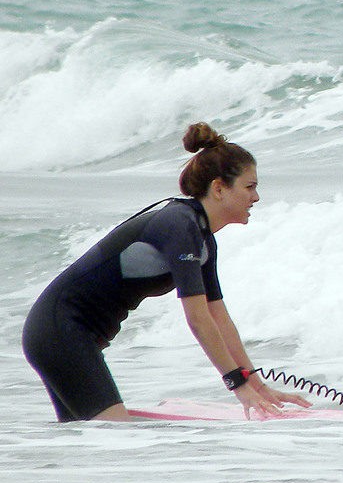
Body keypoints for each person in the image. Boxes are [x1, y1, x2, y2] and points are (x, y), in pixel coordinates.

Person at [23, 122, 311, 422]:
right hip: (60, 330)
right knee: (114, 437)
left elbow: (218, 317)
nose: (256, 197)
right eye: (250, 187)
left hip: (69, 336)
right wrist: (237, 386)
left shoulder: (202, 238)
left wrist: (255, 384)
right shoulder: (180, 224)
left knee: (89, 443)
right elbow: (198, 320)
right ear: (219, 188)